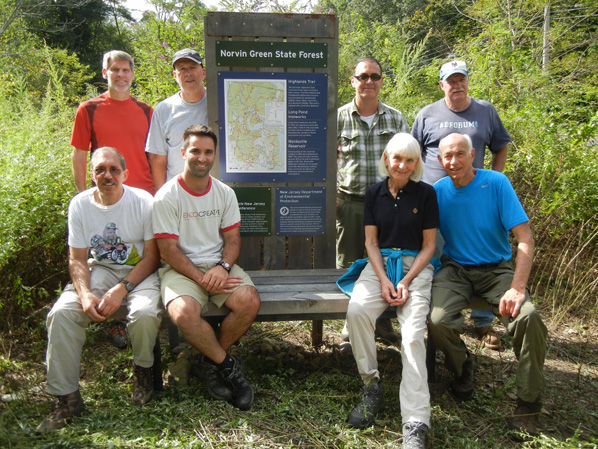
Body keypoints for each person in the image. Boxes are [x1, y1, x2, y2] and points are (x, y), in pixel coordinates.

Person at [428, 133, 547, 437]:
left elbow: (525, 239)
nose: (453, 162)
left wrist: (518, 286)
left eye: (459, 154)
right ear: (440, 161)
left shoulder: (496, 183)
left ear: (472, 156)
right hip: (455, 269)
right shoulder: (438, 191)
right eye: (446, 156)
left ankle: (528, 404)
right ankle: (463, 365)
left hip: (496, 269)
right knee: (437, 320)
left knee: (529, 318)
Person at [37, 147, 162, 432]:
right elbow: (77, 259)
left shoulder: (143, 201)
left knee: (143, 313)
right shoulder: (80, 204)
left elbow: (153, 257)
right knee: (62, 313)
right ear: (91, 175)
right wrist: (84, 293)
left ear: (125, 174)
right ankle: (67, 399)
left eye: (114, 169)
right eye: (100, 170)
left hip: (139, 273)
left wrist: (123, 288)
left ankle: (143, 373)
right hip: (100, 271)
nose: (107, 175)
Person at [338, 133, 438, 449]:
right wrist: (383, 280)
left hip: (416, 268)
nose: (403, 165)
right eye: (397, 158)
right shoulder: (374, 194)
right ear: (386, 159)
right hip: (380, 264)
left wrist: (405, 283)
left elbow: (429, 247)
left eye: (410, 160)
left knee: (411, 335)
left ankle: (415, 421)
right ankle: (372, 386)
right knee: (357, 311)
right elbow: (370, 242)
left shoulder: (426, 194)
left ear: (416, 163)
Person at [152, 124, 260, 411]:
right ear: (183, 152)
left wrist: (223, 267)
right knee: (183, 314)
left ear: (214, 155)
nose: (202, 157)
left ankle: (208, 362)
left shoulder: (224, 193)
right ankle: (228, 366)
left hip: (218, 266)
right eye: (196, 151)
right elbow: (168, 250)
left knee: (249, 301)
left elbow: (233, 239)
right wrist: (201, 278)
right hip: (181, 270)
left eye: (208, 152)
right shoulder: (166, 196)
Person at [412, 60, 512, 349]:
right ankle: (437, 314)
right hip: (435, 202)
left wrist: (496, 178)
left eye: (461, 79)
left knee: (480, 255)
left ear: (468, 81)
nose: (457, 85)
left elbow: (501, 144)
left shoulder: (485, 111)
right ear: (441, 84)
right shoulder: (427, 113)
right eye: (450, 81)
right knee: (438, 259)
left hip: (475, 199)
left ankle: (483, 322)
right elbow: (414, 152)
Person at [337, 57, 410, 343]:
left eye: (375, 76)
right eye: (363, 76)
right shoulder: (338, 117)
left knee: (387, 261)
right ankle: (350, 321)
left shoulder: (395, 118)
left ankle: (381, 322)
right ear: (353, 81)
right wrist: (333, 198)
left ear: (381, 81)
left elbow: (407, 160)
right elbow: (328, 160)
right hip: (351, 203)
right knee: (349, 262)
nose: (369, 81)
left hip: (388, 205)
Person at [71, 50, 154, 195]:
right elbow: (79, 154)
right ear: (104, 73)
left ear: (132, 75)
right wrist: (83, 194)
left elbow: (155, 157)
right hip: (106, 194)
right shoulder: (88, 109)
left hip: (144, 195)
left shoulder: (146, 111)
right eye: (115, 69)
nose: (121, 74)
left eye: (125, 70)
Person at [146, 48, 208, 191]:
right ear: (175, 75)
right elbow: (157, 158)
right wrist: (162, 196)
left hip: (213, 192)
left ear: (203, 72)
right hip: (177, 193)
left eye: (193, 67)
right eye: (182, 69)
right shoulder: (164, 109)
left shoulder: (218, 102)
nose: (188, 73)